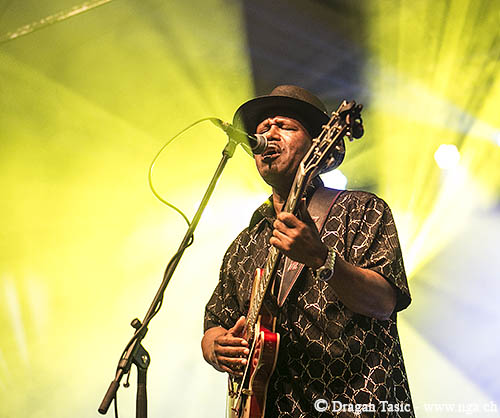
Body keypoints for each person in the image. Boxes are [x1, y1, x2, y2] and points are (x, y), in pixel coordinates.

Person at [201, 85, 413, 417]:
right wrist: (215, 346)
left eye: (284, 126)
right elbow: (216, 321)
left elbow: (384, 302)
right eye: (261, 129)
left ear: (319, 145)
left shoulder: (361, 210)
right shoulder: (245, 243)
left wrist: (322, 259)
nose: (268, 135)